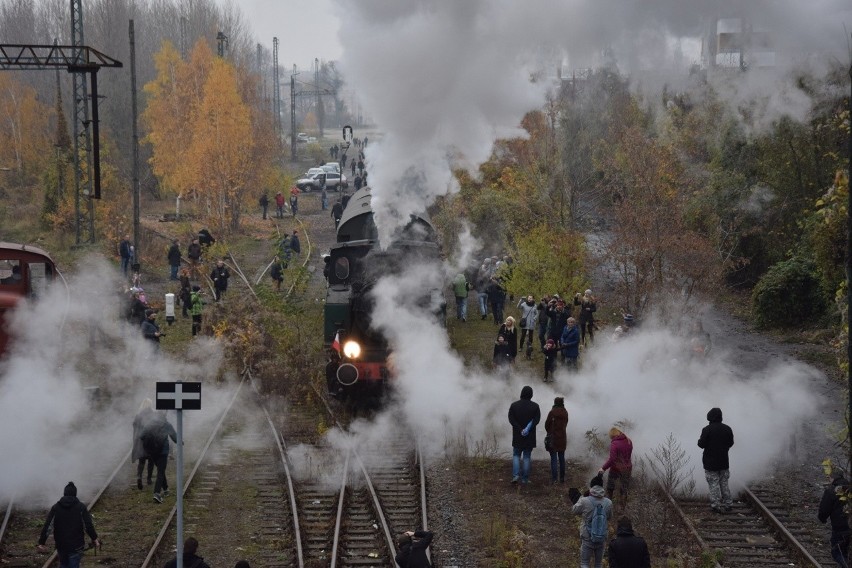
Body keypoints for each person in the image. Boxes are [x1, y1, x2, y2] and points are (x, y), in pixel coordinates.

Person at [38, 482, 100, 568]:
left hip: (61, 545)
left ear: (64, 493)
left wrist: (42, 542)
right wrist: (94, 538)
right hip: (76, 546)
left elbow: (48, 526)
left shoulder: (56, 507)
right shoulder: (81, 507)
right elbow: (88, 525)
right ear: (75, 494)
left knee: (63, 565)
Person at [570, 475, 613, 568]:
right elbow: (609, 517)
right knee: (598, 564)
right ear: (602, 487)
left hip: (587, 536)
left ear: (591, 486)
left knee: (585, 563)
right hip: (601, 536)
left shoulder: (584, 501)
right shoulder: (609, 502)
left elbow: (574, 510)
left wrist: (581, 498)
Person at [697, 407, 734, 513]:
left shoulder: (707, 429)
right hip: (723, 461)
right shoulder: (727, 428)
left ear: (709, 417)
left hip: (710, 463)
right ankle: (728, 504)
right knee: (724, 483)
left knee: (713, 484)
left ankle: (716, 505)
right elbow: (731, 443)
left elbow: (701, 444)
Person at [142, 410, 178, 503]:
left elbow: (141, 436)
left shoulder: (149, 423)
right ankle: (157, 493)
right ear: (165, 415)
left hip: (152, 452)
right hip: (163, 451)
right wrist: (181, 442)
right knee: (161, 472)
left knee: (161, 470)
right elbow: (175, 438)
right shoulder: (166, 424)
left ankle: (166, 489)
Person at [507, 385, 540, 484]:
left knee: (516, 455)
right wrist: (527, 429)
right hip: (529, 436)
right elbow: (536, 420)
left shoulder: (514, 405)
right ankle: (525, 479)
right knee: (526, 457)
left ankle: (516, 476)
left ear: (521, 393)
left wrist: (519, 429)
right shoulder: (535, 406)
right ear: (531, 394)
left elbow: (511, 419)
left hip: (517, 435)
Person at [818, 473, 851, 568]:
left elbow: (824, 510)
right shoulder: (849, 489)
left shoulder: (831, 491)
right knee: (846, 552)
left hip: (840, 528)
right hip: (848, 526)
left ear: (833, 478)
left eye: (829, 478)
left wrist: (822, 519)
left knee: (836, 552)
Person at [599, 427, 634, 504]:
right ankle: (622, 509)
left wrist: (603, 468)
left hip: (616, 469)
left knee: (610, 488)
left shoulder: (614, 444)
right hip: (627, 469)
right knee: (624, 489)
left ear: (612, 436)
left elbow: (612, 459)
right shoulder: (629, 441)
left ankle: (608, 505)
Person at [132, 399, 156, 490]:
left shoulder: (138, 415)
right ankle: (149, 479)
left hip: (140, 441)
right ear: (150, 405)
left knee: (141, 461)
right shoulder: (153, 414)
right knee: (151, 460)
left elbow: (135, 429)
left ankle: (139, 477)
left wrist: (135, 441)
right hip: (150, 441)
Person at [544, 396, 569, 484]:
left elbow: (547, 424)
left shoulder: (552, 412)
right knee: (562, 459)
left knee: (554, 459)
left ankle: (554, 479)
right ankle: (562, 479)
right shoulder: (565, 412)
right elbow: (566, 424)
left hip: (553, 439)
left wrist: (550, 431)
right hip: (562, 438)